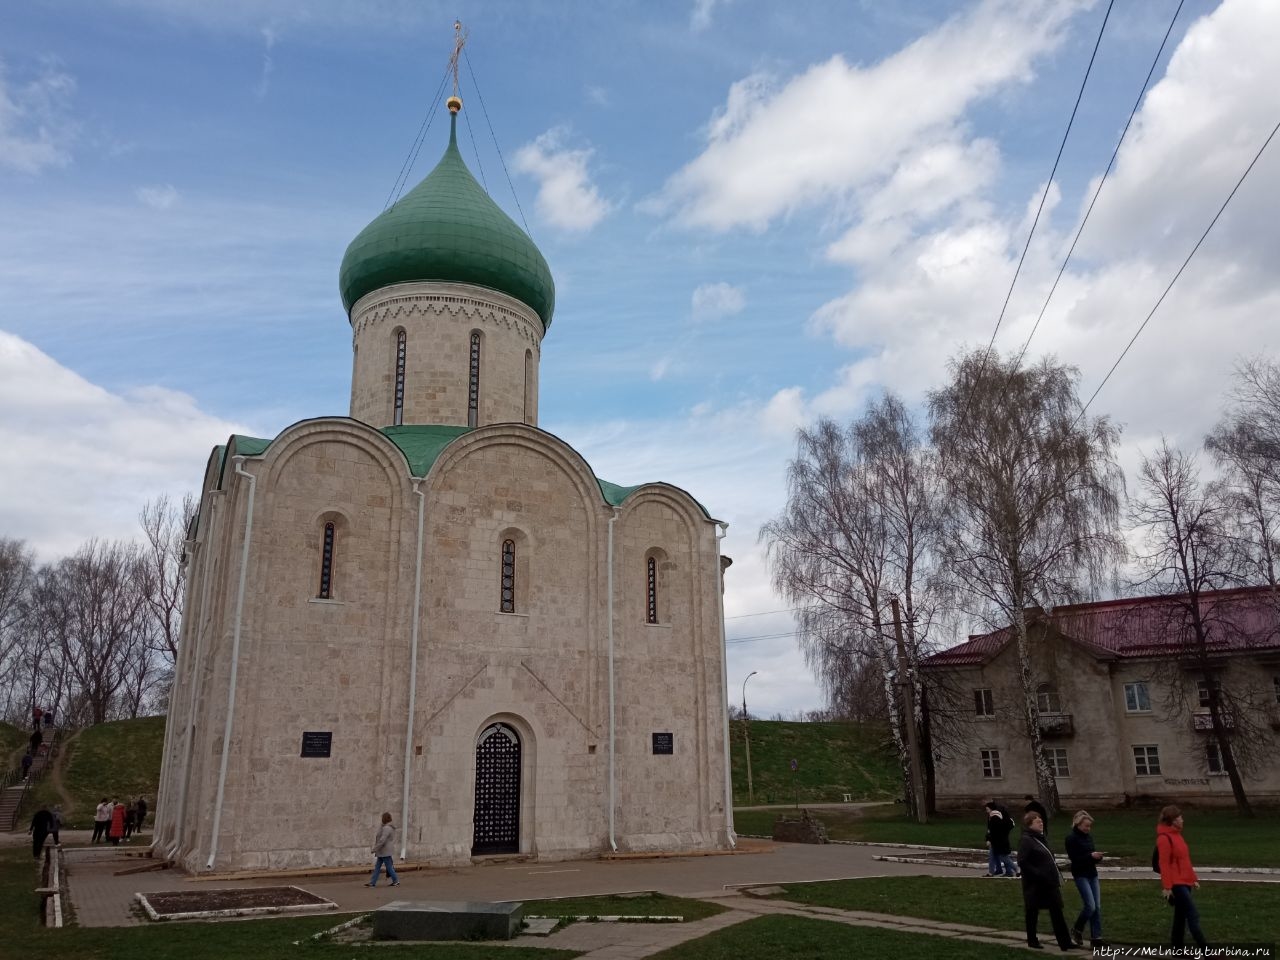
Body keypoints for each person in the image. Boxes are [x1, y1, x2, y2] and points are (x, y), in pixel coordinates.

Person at [1019, 811, 1075, 951]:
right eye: (1038, 822)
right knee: (1032, 912)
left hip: (1049, 882)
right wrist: (1038, 874)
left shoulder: (1041, 838)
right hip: (1035, 884)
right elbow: (1022, 861)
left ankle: (1065, 942)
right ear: (1030, 824)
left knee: (1057, 911)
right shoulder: (1027, 840)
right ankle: (1032, 940)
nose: (1041, 823)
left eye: (1042, 821)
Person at [1157, 805, 1207, 948]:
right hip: (1176, 884)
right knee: (1193, 914)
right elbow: (1164, 864)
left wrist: (1193, 879)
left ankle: (1177, 948)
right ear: (1173, 820)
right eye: (1180, 817)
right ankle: (1206, 951)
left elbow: (1185, 860)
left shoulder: (1177, 835)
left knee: (1180, 917)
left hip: (1185, 881)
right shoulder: (1164, 838)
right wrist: (1167, 887)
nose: (1182, 820)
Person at [1064, 811, 1105, 947]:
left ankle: (1096, 938)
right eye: (1086, 826)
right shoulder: (1071, 839)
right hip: (1081, 875)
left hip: (1092, 873)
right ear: (1078, 824)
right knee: (1090, 906)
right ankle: (1077, 929)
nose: (1088, 829)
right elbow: (1075, 860)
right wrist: (1090, 857)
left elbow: (1090, 856)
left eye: (1089, 826)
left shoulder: (1089, 837)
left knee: (1097, 907)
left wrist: (1098, 858)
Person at [365, 812, 400, 887]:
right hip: (382, 851)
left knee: (388, 867)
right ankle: (372, 882)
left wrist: (374, 849)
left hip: (384, 851)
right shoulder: (385, 827)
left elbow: (382, 840)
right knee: (378, 867)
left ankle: (396, 880)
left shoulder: (387, 828)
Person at [984, 800, 1017, 877]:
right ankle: (999, 871)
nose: (986, 811)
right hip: (999, 839)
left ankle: (1014, 870)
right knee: (996, 855)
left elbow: (993, 830)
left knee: (1002, 856)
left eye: (987, 809)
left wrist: (989, 839)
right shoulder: (995, 815)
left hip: (998, 840)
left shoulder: (995, 816)